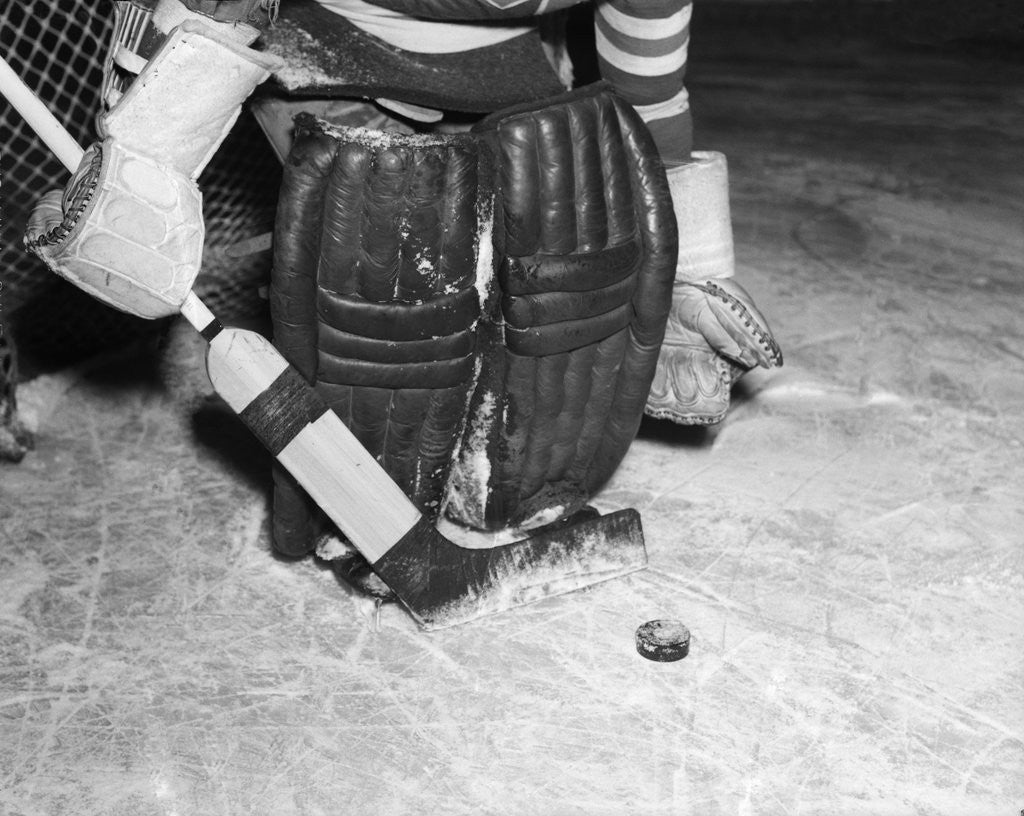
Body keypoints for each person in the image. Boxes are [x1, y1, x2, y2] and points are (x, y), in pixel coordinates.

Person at [26, 0, 780, 579]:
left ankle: (500, 492)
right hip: (332, 33)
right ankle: (368, 501)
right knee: (397, 257)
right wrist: (151, 149)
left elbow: (647, 90)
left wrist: (689, 259)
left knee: (560, 268)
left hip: (499, 61)